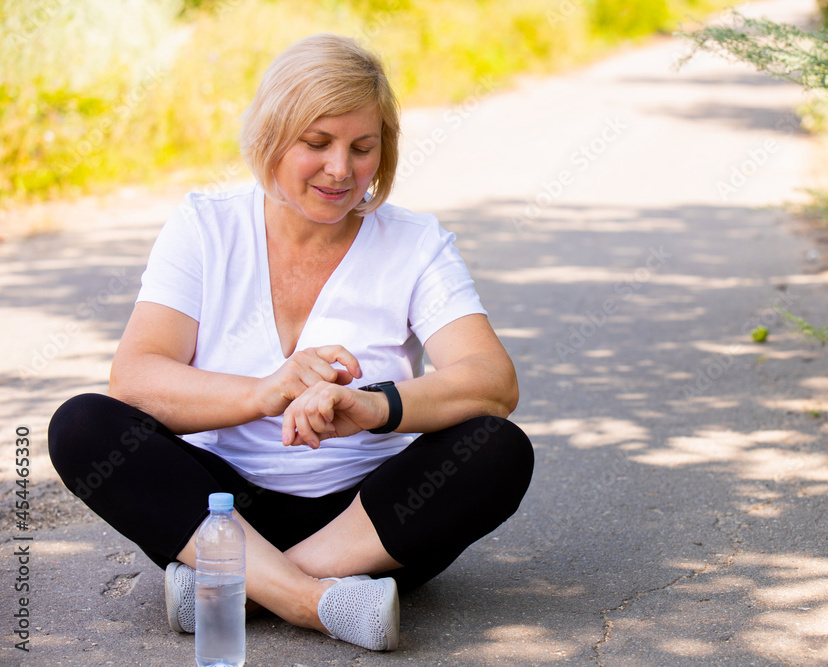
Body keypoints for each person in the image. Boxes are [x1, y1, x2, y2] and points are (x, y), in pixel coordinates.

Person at [47, 33, 533, 652]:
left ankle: (233, 590)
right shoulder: (206, 226)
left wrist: (375, 408)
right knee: (83, 424)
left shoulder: (416, 243)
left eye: (363, 148)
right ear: (271, 138)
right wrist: (265, 391)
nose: (341, 169)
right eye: (317, 143)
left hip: (370, 522)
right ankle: (311, 600)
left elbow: (493, 380)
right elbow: (136, 379)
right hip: (221, 513)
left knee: (497, 448)